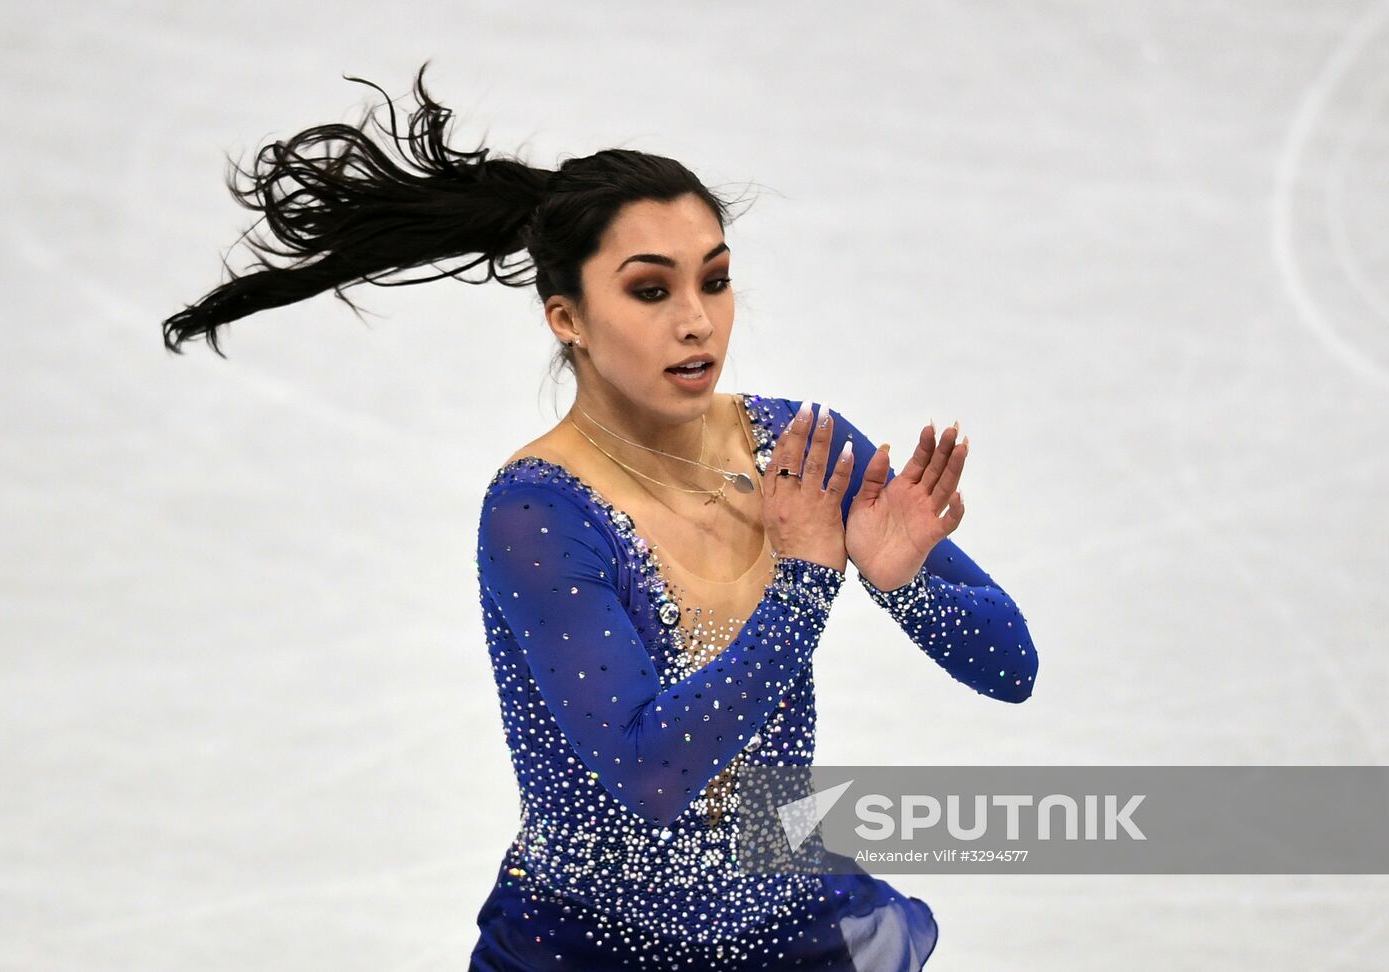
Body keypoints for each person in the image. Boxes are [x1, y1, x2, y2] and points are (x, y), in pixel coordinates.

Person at [161, 62, 1038, 971]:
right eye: (652, 291)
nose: (698, 322)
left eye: (717, 280)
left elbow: (1012, 668)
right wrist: (807, 582)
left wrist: (904, 588)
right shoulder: (539, 511)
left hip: (792, 934)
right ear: (566, 317)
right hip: (585, 949)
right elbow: (651, 772)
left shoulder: (799, 450)